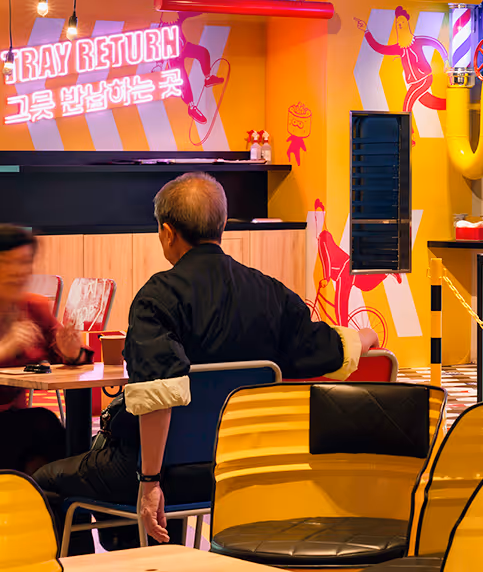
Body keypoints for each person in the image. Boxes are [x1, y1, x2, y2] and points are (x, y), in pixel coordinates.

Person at [35, 173, 378, 552]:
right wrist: (365, 337)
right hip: (239, 467)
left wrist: (149, 485)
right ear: (223, 227)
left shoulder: (157, 298)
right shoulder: (270, 293)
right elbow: (328, 348)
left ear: (167, 233)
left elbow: (159, 395)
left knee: (47, 479)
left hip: (164, 471)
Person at [0, 225, 92, 474]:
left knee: (44, 429)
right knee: (42, 426)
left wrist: (72, 352)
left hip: (14, 424)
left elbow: (74, 356)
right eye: (11, 262)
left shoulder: (31, 306)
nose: (20, 272)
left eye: (26, 262)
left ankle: (67, 506)